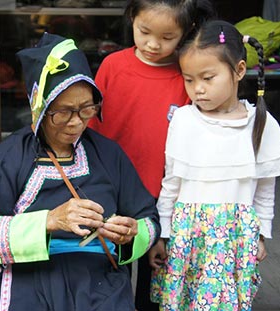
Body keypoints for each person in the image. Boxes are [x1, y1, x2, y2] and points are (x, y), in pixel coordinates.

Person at [0, 33, 159, 311]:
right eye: (63, 111)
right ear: (39, 108)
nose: (77, 121)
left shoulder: (108, 154)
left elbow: (149, 220)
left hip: (99, 281)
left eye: (86, 108)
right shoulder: (12, 155)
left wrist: (131, 234)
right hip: (31, 280)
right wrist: (49, 221)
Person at [148, 20, 280, 310]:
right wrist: (162, 233)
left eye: (207, 78)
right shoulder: (184, 120)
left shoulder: (261, 124)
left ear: (239, 70)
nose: (197, 89)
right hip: (187, 235)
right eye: (189, 80)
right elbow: (172, 181)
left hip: (234, 238)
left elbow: (265, 190)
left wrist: (262, 234)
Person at [88, 1, 215, 309]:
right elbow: (92, 128)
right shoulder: (112, 66)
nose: (152, 44)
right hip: (111, 193)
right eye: (144, 31)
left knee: (155, 285)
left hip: (162, 200)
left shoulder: (186, 76)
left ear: (187, 31)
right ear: (132, 18)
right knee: (108, 278)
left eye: (167, 37)